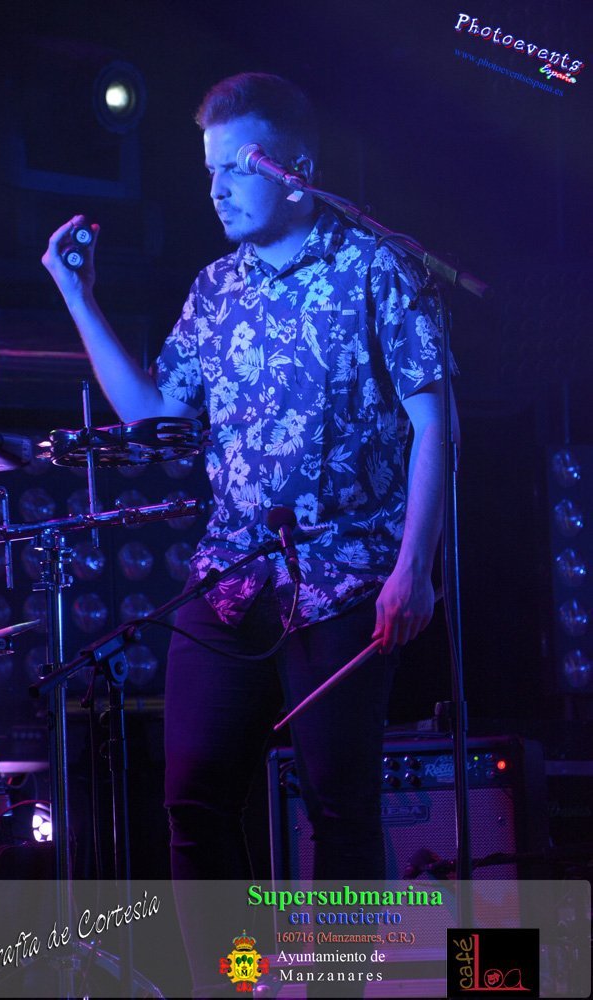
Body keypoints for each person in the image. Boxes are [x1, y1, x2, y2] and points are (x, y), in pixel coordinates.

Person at [43, 72, 459, 996]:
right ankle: (239, 983)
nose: (218, 189)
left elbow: (436, 424)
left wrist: (415, 568)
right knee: (193, 796)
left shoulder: (375, 270)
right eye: (210, 171)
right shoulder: (215, 289)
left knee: (340, 807)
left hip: (345, 582)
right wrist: (79, 298)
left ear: (295, 171)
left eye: (237, 168)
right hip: (231, 578)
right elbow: (154, 417)